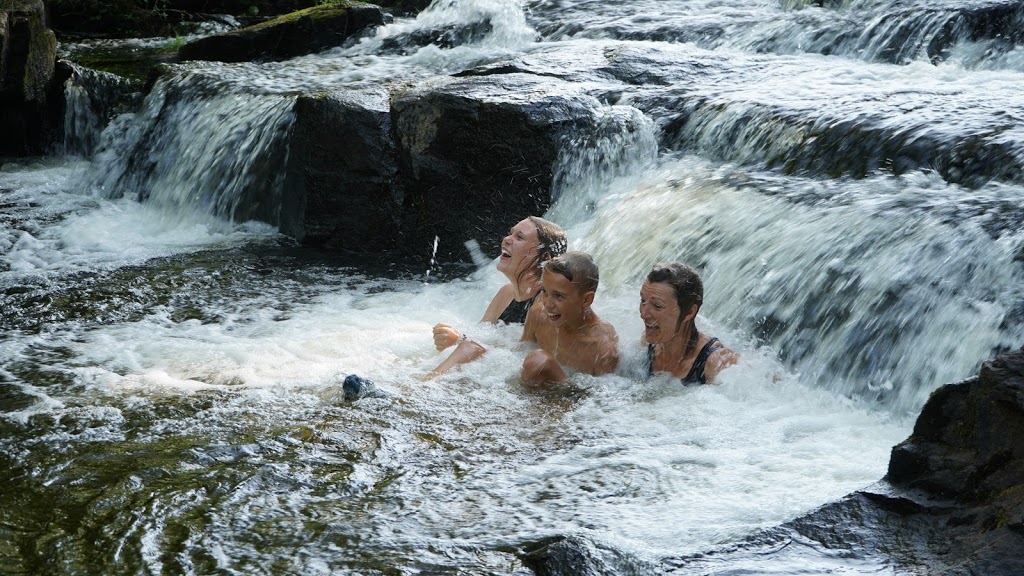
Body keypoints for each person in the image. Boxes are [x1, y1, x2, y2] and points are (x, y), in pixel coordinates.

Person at [426, 216, 568, 378]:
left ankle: (421, 388)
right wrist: (455, 338)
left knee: (468, 348)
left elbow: (522, 360)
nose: (507, 239)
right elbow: (480, 334)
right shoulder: (507, 293)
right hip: (499, 375)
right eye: (510, 233)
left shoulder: (545, 306)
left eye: (519, 237)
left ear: (544, 258)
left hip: (535, 383)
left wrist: (459, 340)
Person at [520, 251, 619, 385]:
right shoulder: (538, 315)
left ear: (586, 300)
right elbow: (519, 352)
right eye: (545, 292)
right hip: (534, 392)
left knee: (540, 362)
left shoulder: (602, 348)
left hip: (570, 399)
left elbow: (601, 399)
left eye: (558, 296)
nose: (548, 304)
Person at [640, 262, 737, 384]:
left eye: (657, 306)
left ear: (690, 312)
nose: (643, 314)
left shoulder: (716, 363)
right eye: (643, 300)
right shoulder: (647, 345)